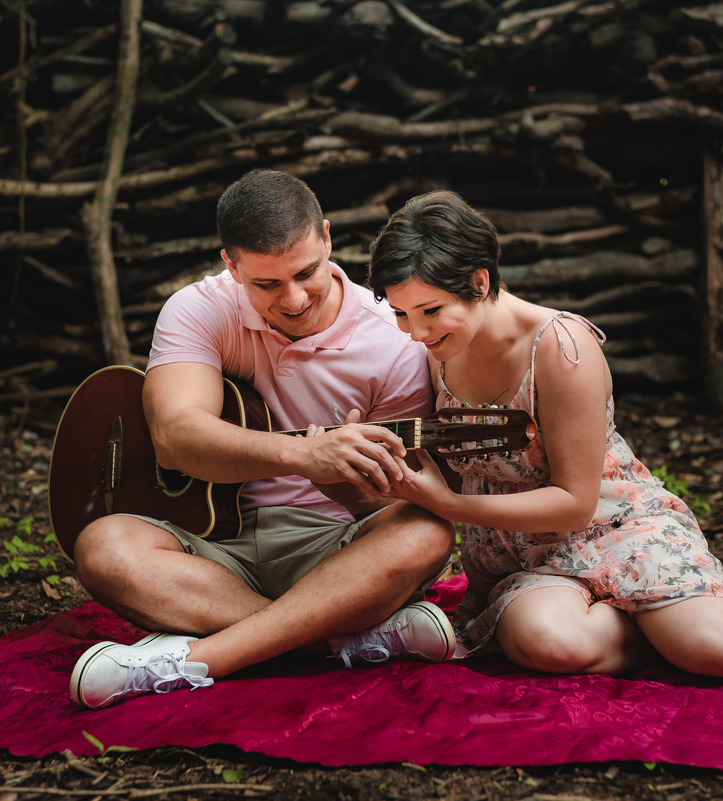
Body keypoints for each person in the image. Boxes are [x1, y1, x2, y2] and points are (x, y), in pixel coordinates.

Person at [365, 190, 723, 676]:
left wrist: (449, 505)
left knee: (722, 653)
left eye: (431, 311)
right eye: (402, 313)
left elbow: (575, 504)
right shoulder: (437, 351)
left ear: (480, 281)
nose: (416, 332)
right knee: (547, 642)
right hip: (522, 553)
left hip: (611, 526)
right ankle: (668, 633)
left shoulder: (561, 348)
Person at [68, 170, 458, 709]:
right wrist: (303, 455)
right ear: (231, 265)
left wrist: (346, 481)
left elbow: (389, 503)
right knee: (102, 547)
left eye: (306, 273)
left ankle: (202, 656)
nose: (295, 299)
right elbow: (175, 437)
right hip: (209, 544)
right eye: (267, 284)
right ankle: (332, 641)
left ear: (326, 237)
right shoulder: (200, 308)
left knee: (426, 533)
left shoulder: (394, 340)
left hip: (330, 551)